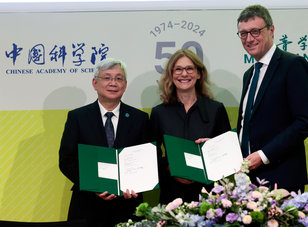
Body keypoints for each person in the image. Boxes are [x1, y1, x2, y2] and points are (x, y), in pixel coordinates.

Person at [59, 58, 149, 227]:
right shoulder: (77, 117)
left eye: (118, 78)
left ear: (125, 84)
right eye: (107, 78)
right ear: (95, 83)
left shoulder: (140, 119)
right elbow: (66, 160)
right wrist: (93, 185)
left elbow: (146, 159)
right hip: (87, 202)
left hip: (128, 204)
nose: (113, 83)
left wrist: (136, 184)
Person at [236, 5, 308, 193]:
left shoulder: (292, 65)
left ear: (271, 30)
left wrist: (263, 156)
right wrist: (219, 143)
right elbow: (248, 125)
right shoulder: (249, 74)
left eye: (255, 32)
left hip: (282, 179)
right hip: (250, 181)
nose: (249, 39)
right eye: (243, 34)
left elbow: (305, 122)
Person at [150, 49, 231, 204]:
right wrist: (171, 168)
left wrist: (212, 148)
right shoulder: (159, 113)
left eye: (189, 69)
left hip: (209, 196)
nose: (184, 74)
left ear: (199, 74)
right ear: (171, 74)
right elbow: (151, 155)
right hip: (172, 195)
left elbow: (228, 155)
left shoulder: (216, 109)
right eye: (178, 69)